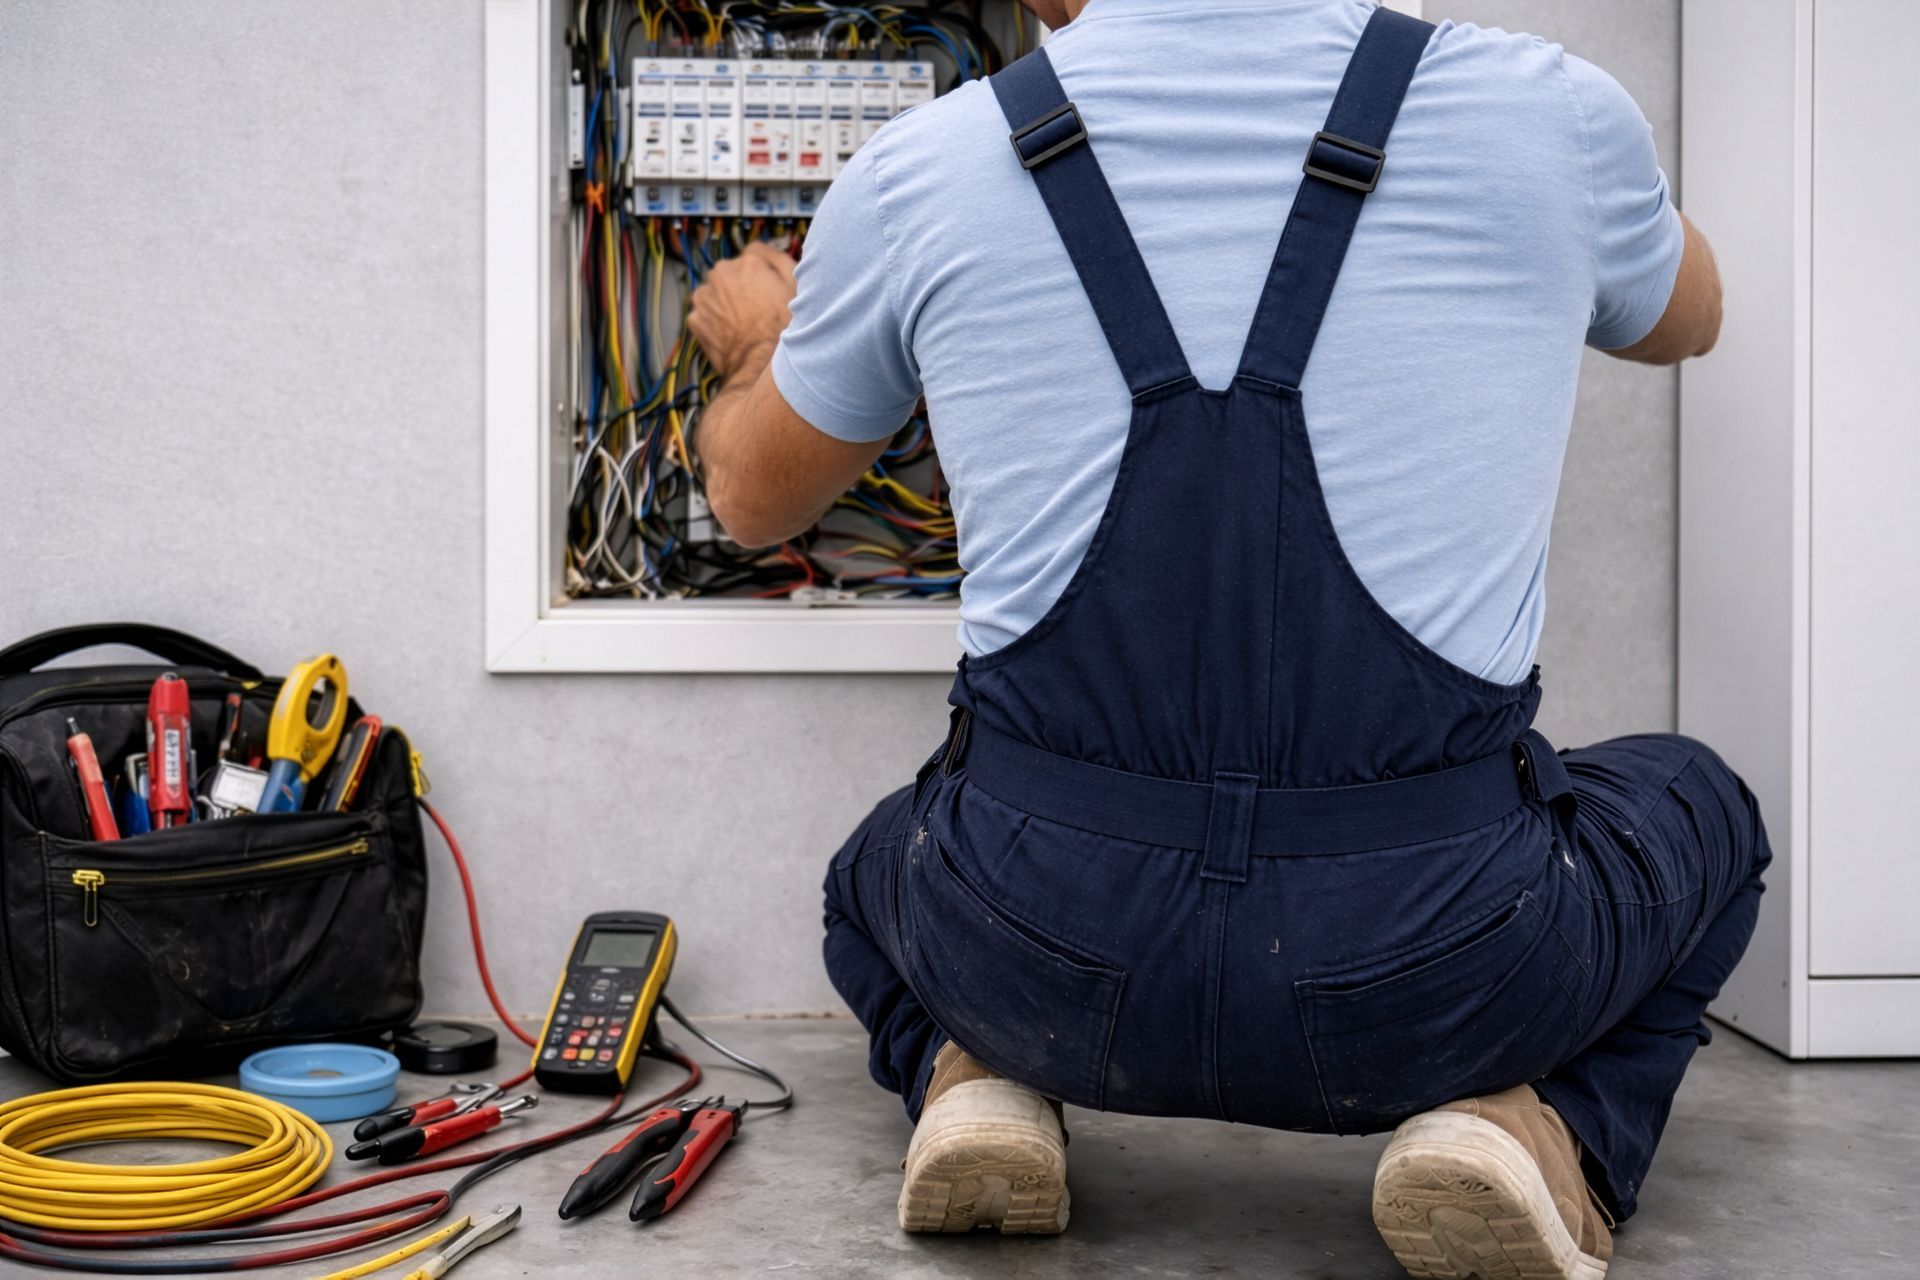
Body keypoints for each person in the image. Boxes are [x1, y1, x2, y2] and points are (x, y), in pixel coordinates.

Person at [686, 2, 1760, 1276]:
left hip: (1033, 951)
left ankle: (972, 1081)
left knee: (873, 875)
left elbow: (750, 500)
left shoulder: (920, 170)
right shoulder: (1552, 115)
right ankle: (1534, 1133)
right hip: (1444, 971)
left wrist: (765, 338)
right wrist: (1554, 167)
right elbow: (1688, 315)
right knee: (1706, 808)